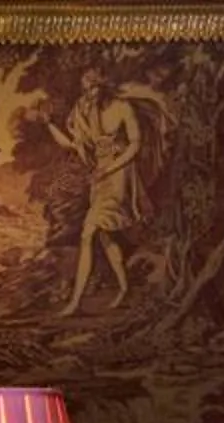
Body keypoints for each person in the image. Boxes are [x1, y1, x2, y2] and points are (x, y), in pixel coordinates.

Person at [53, 72, 145, 317]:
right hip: (99, 175)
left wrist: (110, 168)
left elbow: (135, 144)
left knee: (88, 233)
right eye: (86, 89)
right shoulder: (84, 109)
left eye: (93, 88)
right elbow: (74, 144)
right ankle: (124, 288)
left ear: (104, 86)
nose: (89, 94)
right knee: (105, 237)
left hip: (119, 172)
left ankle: (75, 302)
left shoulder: (122, 107)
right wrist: (49, 124)